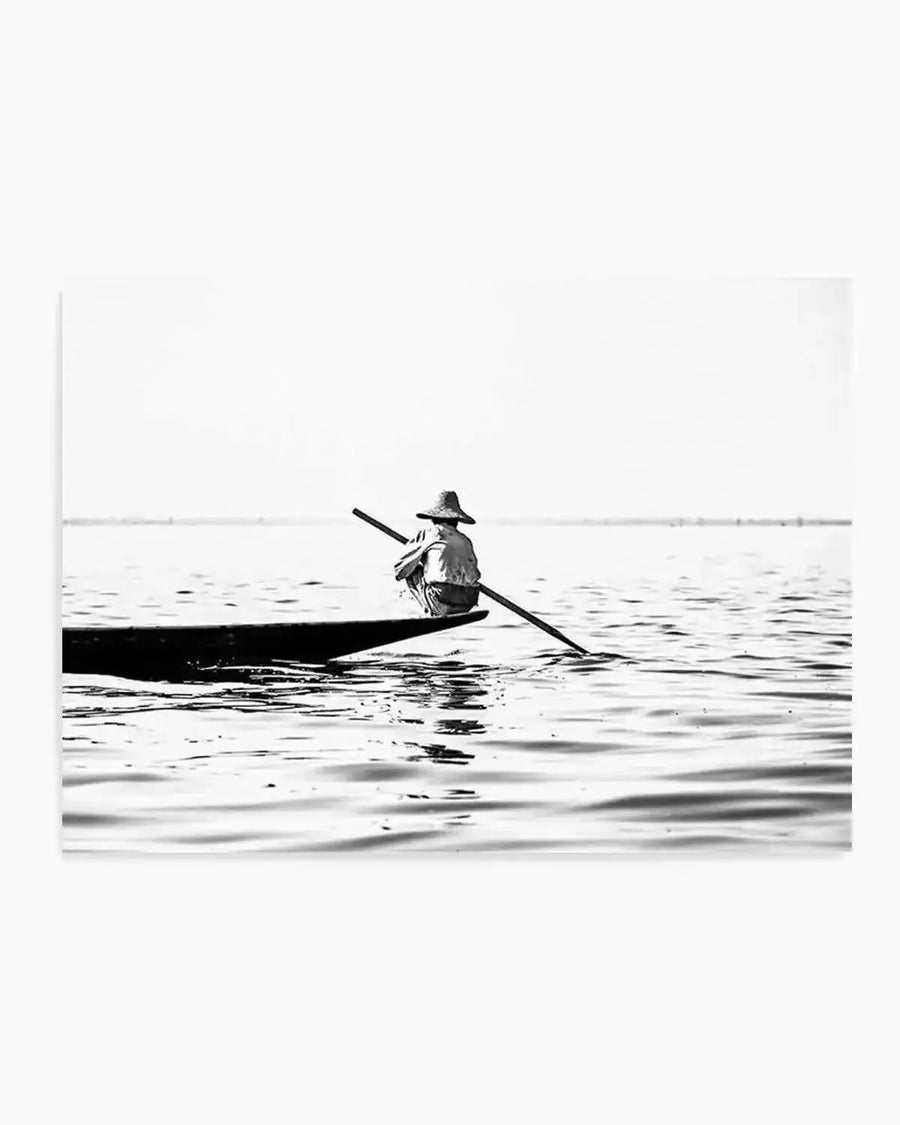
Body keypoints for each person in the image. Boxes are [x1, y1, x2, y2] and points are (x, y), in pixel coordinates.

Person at [394, 490, 481, 617]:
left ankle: (429, 611)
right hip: (468, 602)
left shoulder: (429, 534)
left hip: (442, 601)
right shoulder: (465, 540)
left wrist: (420, 561)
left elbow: (400, 571)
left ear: (433, 518)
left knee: (413, 571)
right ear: (457, 520)